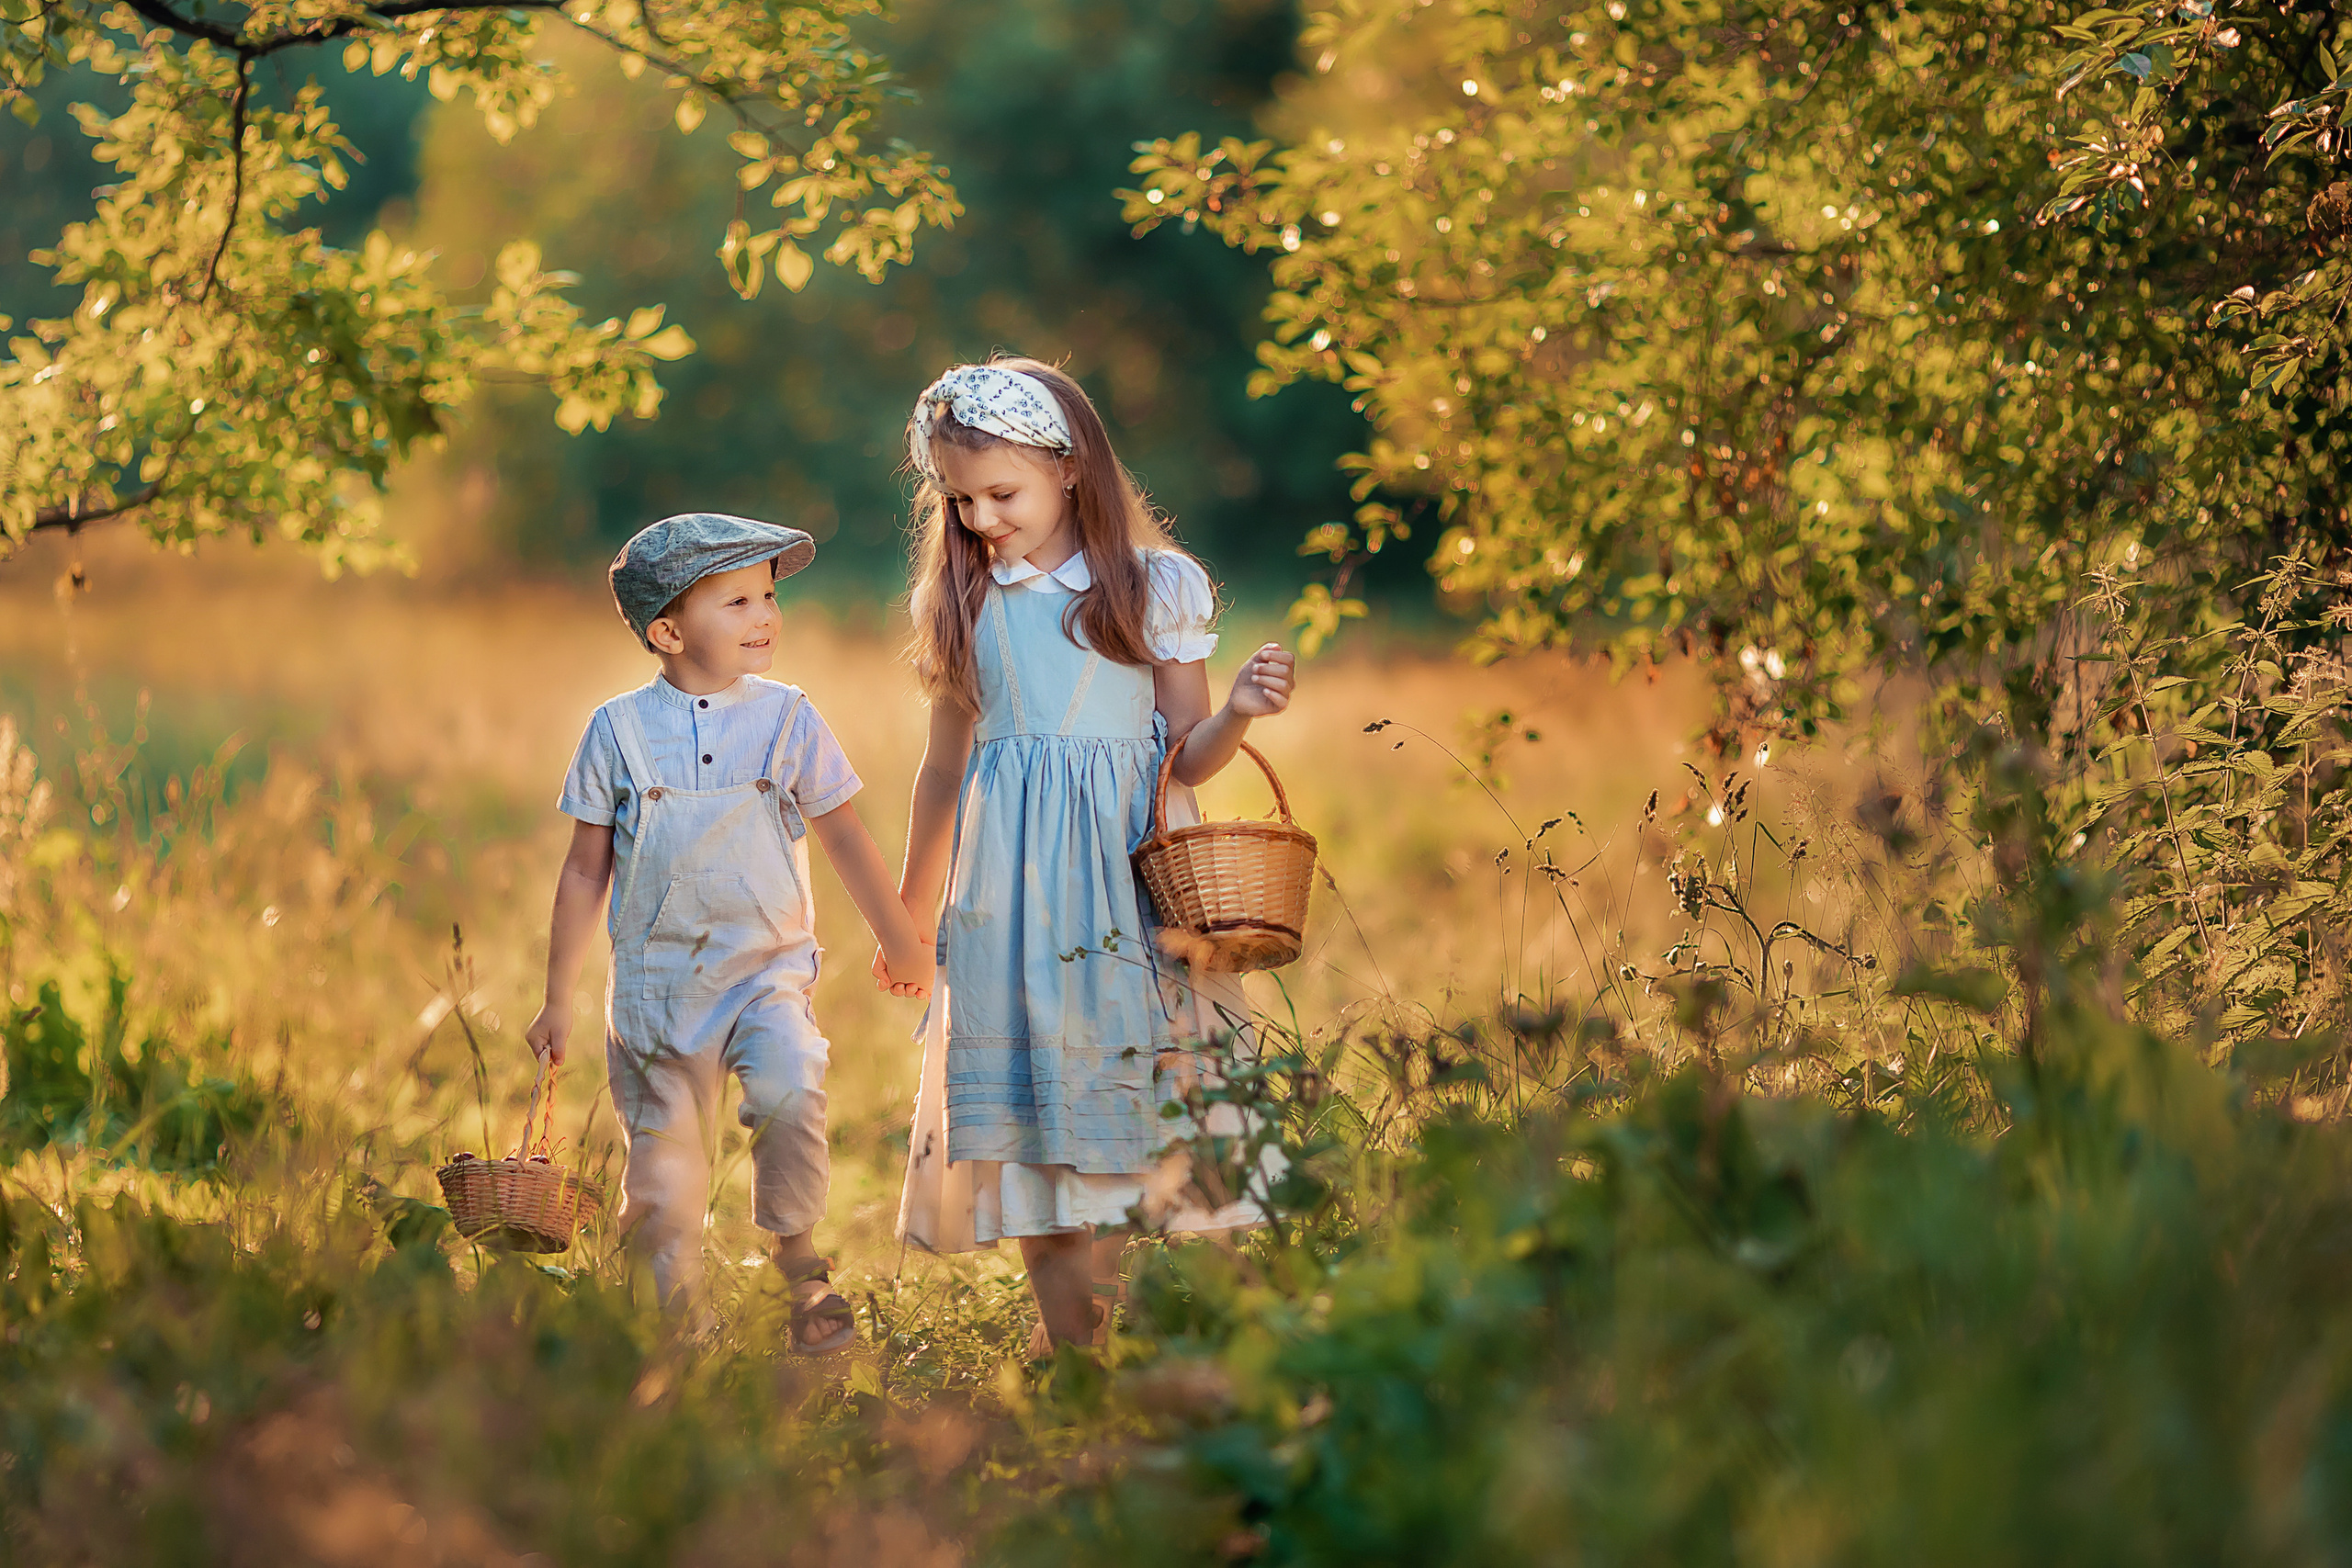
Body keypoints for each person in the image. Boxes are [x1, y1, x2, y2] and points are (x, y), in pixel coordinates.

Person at [881, 356, 1296, 1353]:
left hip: (1132, 892)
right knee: (1039, 1123)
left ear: (1069, 469)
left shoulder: (1150, 588)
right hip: (1011, 900)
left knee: (1169, 1107)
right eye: (960, 498)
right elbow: (942, 775)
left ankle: (1228, 1339)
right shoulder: (965, 602)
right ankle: (1076, 1357)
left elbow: (1183, 755)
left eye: (1002, 492)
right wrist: (906, 917)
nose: (981, 518)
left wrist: (1236, 712)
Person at [524, 513, 933, 1349]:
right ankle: (677, 1343)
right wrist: (556, 998)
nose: (766, 617)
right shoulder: (618, 731)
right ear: (667, 630)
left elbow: (844, 832)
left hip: (765, 972)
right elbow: (581, 871)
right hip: (656, 989)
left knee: (789, 1090)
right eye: (738, 600)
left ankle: (799, 1259)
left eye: (770, 597)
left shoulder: (786, 718)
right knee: (664, 1180)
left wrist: (901, 940)